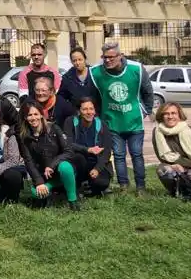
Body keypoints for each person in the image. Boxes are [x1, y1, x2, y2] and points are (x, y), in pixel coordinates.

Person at [89, 40, 152, 193]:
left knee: (137, 154)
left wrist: (145, 111)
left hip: (134, 122)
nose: (108, 60)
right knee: (118, 155)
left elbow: (148, 92)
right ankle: (123, 185)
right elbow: (95, 97)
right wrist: (99, 117)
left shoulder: (136, 68)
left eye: (112, 57)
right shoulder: (96, 72)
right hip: (112, 122)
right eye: (105, 57)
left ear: (121, 56)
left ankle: (140, 187)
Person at [19, 99, 83, 210]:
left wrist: (52, 165)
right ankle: (52, 188)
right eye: (30, 115)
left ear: (41, 115)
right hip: (43, 174)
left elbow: (69, 151)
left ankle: (73, 201)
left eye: (36, 114)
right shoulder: (24, 137)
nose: (33, 118)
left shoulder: (54, 128)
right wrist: (39, 182)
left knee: (65, 167)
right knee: (35, 194)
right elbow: (28, 161)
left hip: (59, 169)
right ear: (25, 117)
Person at [153, 101, 191, 200]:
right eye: (166, 114)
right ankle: (175, 192)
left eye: (173, 113)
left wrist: (186, 164)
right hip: (175, 165)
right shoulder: (157, 132)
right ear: (161, 116)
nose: (170, 116)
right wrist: (184, 163)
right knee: (163, 169)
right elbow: (161, 156)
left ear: (179, 115)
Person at [63, 97, 112, 197]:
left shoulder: (102, 124)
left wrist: (97, 169)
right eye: (85, 109)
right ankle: (78, 186)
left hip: (95, 162)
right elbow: (67, 143)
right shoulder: (70, 122)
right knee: (78, 159)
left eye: (91, 109)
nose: (89, 112)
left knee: (102, 183)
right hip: (78, 161)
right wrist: (87, 149)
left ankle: (91, 187)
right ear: (79, 111)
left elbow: (107, 151)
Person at [59, 47, 98, 116]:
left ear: (85, 59)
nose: (77, 63)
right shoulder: (67, 78)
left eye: (80, 59)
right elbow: (61, 98)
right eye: (74, 60)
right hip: (76, 116)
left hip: (95, 114)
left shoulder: (94, 74)